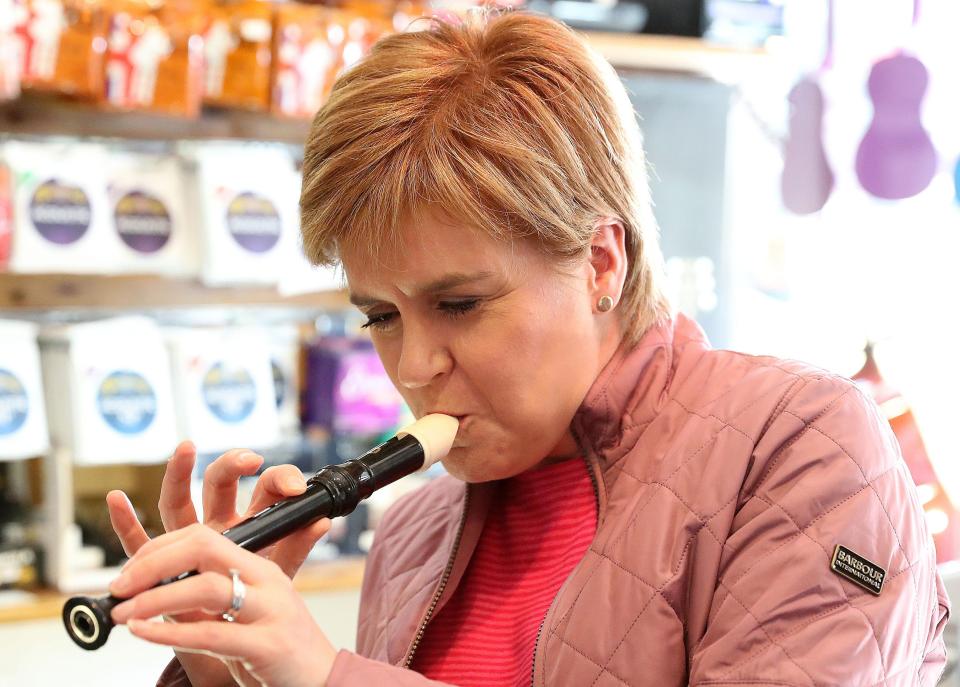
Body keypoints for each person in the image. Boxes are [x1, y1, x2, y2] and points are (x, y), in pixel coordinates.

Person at [104, 10, 949, 687]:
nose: (412, 367)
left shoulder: (800, 447)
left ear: (600, 262)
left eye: (460, 303)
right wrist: (229, 673)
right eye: (381, 315)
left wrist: (330, 677)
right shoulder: (413, 536)